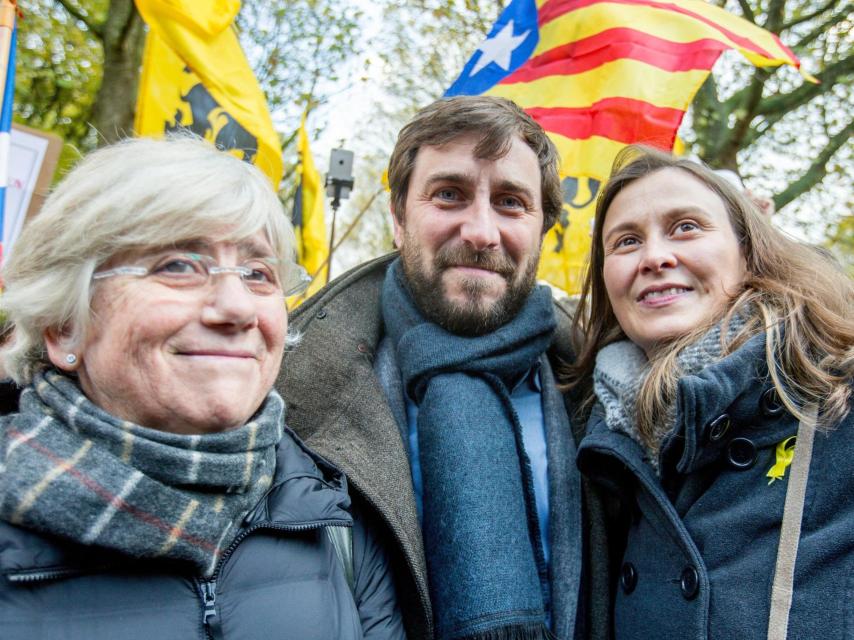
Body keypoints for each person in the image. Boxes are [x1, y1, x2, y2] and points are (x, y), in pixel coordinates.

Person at [0, 136, 404, 640]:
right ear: (64, 325)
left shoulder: (334, 516)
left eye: (258, 273)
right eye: (178, 266)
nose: (236, 308)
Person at [278, 96, 614, 640]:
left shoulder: (611, 385)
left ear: (543, 231)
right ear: (397, 219)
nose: (481, 231)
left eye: (510, 202)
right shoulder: (284, 398)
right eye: (449, 195)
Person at [564, 145, 853, 639]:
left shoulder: (836, 390)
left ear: (748, 249)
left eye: (686, 227)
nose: (655, 256)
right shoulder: (593, 438)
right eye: (627, 241)